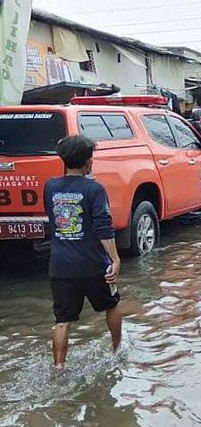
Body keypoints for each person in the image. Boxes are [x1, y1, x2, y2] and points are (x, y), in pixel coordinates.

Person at [44, 135, 122, 368]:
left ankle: (58, 367)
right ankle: (117, 349)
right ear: (88, 161)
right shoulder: (95, 189)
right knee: (112, 305)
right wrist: (115, 260)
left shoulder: (50, 186)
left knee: (62, 321)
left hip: (60, 266)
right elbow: (102, 228)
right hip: (93, 265)